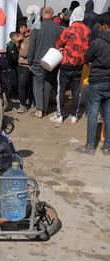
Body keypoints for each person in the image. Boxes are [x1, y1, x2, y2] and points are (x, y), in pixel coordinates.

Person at [76, 12, 110, 155]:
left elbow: (86, 57)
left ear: (104, 26)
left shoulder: (97, 43)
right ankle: (107, 146)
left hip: (96, 82)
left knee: (92, 114)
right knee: (108, 114)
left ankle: (90, 147)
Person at [52, 6, 91, 124]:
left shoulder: (69, 29)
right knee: (76, 91)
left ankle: (59, 115)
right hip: (79, 65)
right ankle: (74, 116)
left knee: (61, 90)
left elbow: (58, 44)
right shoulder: (88, 30)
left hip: (66, 64)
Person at [28, 7, 63, 118]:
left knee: (38, 85)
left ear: (42, 15)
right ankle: (45, 109)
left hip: (38, 61)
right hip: (52, 62)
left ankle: (39, 110)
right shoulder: (59, 28)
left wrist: (30, 60)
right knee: (48, 84)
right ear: (52, 15)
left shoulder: (36, 28)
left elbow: (31, 46)